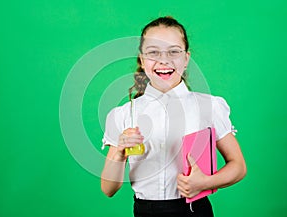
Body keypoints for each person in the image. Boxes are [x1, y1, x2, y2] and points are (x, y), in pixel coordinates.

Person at [101, 16, 246, 217]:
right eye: (153, 52)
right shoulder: (124, 114)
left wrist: (206, 182)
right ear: (142, 60)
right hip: (146, 211)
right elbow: (108, 189)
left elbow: (238, 166)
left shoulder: (209, 106)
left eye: (173, 52)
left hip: (194, 210)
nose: (164, 60)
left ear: (185, 59)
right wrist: (119, 153)